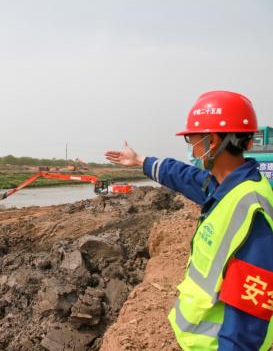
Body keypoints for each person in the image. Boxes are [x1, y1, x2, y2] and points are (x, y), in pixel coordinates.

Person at [105, 91, 273, 350]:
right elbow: (183, 176)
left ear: (213, 141)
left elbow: (247, 321)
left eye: (191, 139)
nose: (191, 148)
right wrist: (140, 161)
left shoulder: (252, 213)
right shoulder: (223, 186)